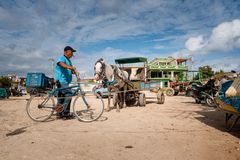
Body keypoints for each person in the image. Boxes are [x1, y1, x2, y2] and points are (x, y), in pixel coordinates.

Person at [55, 46, 80, 119]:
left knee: (61, 98)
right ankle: (65, 113)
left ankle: (59, 114)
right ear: (65, 52)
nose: (72, 53)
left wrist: (76, 73)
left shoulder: (69, 61)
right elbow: (61, 63)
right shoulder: (62, 58)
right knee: (69, 94)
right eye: (71, 51)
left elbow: (71, 70)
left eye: (72, 52)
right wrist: (70, 67)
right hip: (61, 80)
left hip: (65, 81)